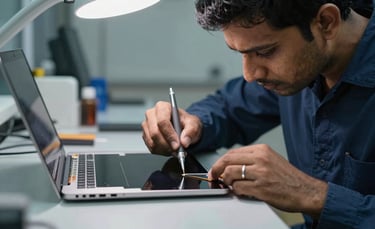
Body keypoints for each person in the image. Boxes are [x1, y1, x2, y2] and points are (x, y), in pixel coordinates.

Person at [141, 0, 375, 228]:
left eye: (264, 52)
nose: (250, 74)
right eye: (239, 53)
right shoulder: (299, 68)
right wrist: (193, 124)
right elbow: (229, 107)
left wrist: (313, 195)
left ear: (326, 22)